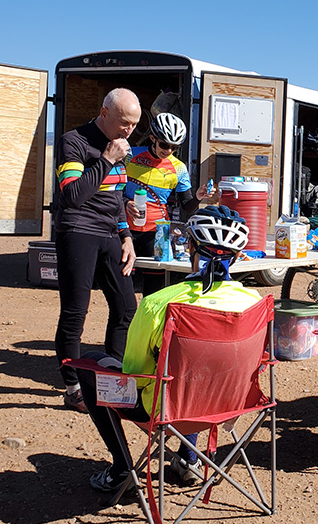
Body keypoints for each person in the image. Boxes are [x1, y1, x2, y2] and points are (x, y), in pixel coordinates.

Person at [76, 205, 264, 505]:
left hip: (164, 411)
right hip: (231, 404)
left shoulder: (158, 303)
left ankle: (123, 468)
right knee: (199, 375)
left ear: (189, 245)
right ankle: (190, 459)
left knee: (90, 366)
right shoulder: (253, 303)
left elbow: (134, 372)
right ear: (239, 255)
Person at [53, 88, 141, 413]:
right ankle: (73, 388)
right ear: (104, 113)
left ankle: (113, 381)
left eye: (133, 125)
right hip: (78, 231)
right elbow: (73, 194)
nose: (128, 131)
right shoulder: (74, 141)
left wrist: (126, 235)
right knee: (76, 312)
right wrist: (106, 159)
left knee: (125, 307)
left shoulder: (122, 148)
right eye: (123, 123)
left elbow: (116, 196)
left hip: (110, 235)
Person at [123, 111, 197, 293]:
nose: (168, 150)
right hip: (125, 229)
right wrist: (125, 201)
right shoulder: (129, 155)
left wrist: (199, 197)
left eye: (174, 147)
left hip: (156, 233)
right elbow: (112, 190)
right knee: (123, 288)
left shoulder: (179, 168)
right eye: (164, 144)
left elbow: (186, 205)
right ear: (152, 138)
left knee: (153, 292)